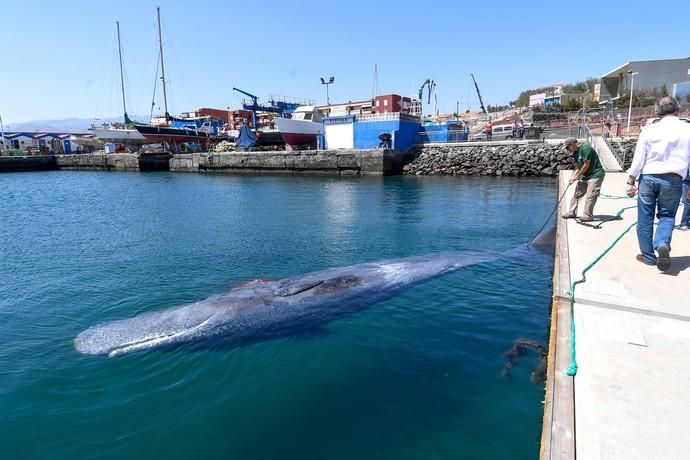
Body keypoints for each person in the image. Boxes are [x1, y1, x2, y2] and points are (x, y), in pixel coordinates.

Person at [625, 96, 690, 271]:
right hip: (674, 179)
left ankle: (648, 256)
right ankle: (662, 243)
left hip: (649, 177)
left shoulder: (648, 130)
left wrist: (630, 180)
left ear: (657, 112)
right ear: (677, 110)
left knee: (644, 218)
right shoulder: (688, 129)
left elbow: (639, 158)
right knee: (667, 216)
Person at [561, 137, 606, 222]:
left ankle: (587, 216)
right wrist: (572, 177)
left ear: (572, 144)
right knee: (577, 194)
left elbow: (586, 165)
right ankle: (571, 213)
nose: (567, 149)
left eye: (567, 147)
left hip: (595, 175)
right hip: (585, 176)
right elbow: (578, 166)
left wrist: (577, 175)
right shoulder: (575, 153)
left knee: (590, 196)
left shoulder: (586, 148)